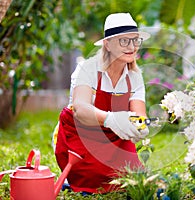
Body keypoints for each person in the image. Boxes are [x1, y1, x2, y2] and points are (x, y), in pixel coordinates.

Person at [54, 13, 150, 194]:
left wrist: (141, 126)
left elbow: (139, 116)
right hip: (80, 136)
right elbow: (80, 109)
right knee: (92, 182)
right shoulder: (88, 68)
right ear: (107, 44)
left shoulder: (135, 77)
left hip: (115, 140)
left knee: (136, 180)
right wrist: (111, 119)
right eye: (124, 41)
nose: (132, 47)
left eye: (135, 40)